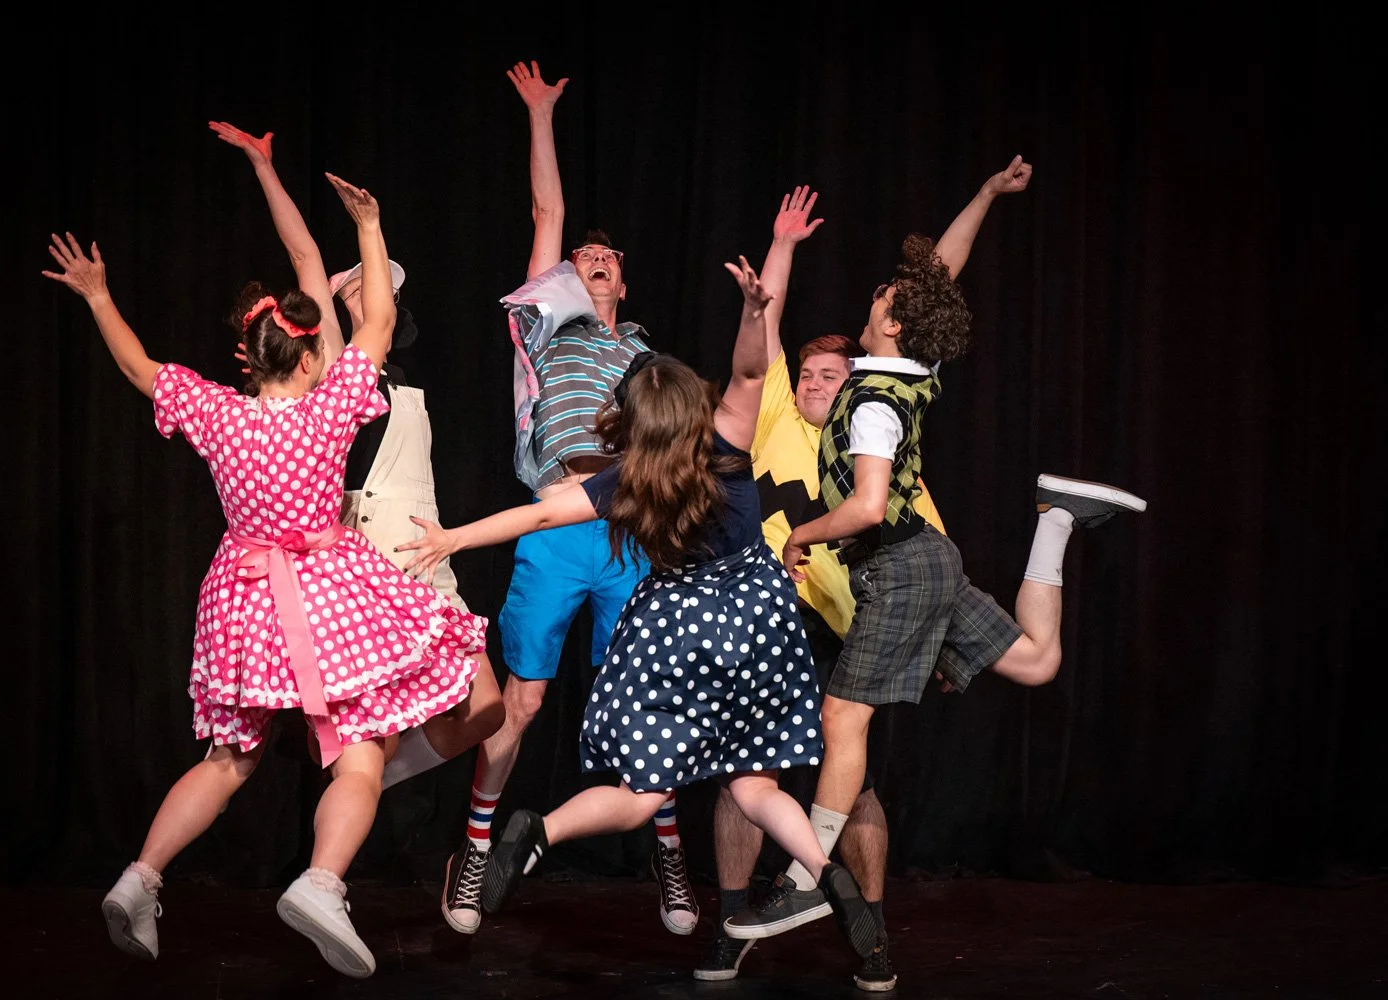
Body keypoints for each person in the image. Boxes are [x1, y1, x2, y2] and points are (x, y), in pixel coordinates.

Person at [42, 173, 486, 980]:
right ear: (310, 355)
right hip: (327, 592)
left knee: (229, 759)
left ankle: (140, 876)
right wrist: (370, 227)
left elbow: (141, 369)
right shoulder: (330, 407)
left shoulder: (219, 412)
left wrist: (99, 296)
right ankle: (321, 882)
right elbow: (379, 320)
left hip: (243, 601)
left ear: (251, 356)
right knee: (361, 755)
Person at [401, 256, 881, 963]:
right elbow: (751, 371)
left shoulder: (627, 478)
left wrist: (453, 537)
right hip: (756, 620)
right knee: (753, 783)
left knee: (641, 789)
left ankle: (541, 830)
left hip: (677, 627)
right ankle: (824, 872)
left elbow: (538, 517)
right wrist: (755, 311)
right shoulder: (724, 444)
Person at [723, 216, 1146, 987]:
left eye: (884, 296)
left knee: (841, 719)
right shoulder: (908, 372)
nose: (877, 295)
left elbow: (868, 508)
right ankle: (1055, 520)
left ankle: (804, 881)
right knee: (1038, 662)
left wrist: (801, 537)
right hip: (929, 564)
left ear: (891, 325)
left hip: (901, 567)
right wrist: (986, 196)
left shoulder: (871, 401)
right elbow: (935, 283)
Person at [700, 161, 1034, 991]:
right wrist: (779, 252)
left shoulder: (873, 422)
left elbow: (900, 530)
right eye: (808, 373)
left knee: (853, 769)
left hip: (863, 610)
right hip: (776, 617)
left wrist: (936, 635)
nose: (818, 380)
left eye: (832, 372)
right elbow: (767, 331)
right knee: (747, 776)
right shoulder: (778, 416)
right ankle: (736, 925)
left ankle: (866, 930)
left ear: (859, 371)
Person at [435, 60, 694, 938]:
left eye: (608, 260)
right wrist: (541, 115)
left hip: (628, 531)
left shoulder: (646, 359)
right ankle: (476, 848)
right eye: (583, 259)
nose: (595, 262)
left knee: (648, 699)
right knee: (525, 700)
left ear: (625, 283)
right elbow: (547, 213)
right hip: (553, 518)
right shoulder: (547, 325)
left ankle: (667, 849)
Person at [210, 123, 505, 823]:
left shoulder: (407, 379)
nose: (372, 292)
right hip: (363, 566)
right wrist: (264, 167)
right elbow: (304, 253)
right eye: (362, 284)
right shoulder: (337, 367)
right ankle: (353, 798)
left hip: (424, 552)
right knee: (373, 738)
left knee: (487, 709)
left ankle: (369, 785)